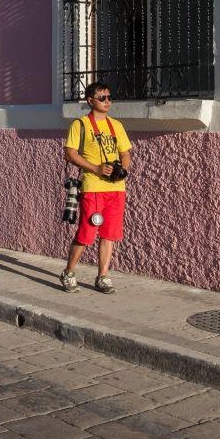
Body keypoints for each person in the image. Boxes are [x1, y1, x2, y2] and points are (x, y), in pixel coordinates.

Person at [61, 81, 131, 293]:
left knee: (109, 234)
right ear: (91, 100)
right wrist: (95, 168)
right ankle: (69, 272)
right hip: (92, 187)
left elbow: (125, 153)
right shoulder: (80, 125)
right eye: (102, 98)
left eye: (109, 97)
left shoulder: (116, 125)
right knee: (87, 232)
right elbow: (70, 153)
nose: (107, 101)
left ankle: (103, 276)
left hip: (116, 189)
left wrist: (122, 169)